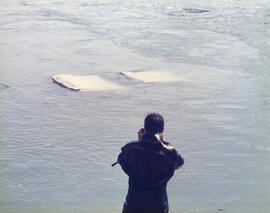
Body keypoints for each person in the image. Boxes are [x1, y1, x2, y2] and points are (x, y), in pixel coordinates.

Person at [116, 113, 184, 213]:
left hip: (133, 204)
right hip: (158, 205)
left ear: (145, 128)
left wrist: (140, 141)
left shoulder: (131, 148)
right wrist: (162, 143)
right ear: (162, 131)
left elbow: (122, 161)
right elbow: (179, 163)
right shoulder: (169, 152)